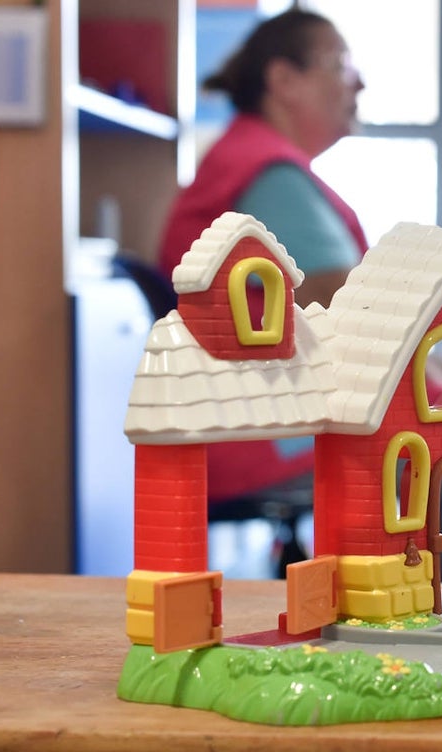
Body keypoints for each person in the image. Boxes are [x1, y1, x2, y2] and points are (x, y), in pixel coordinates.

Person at [155, 9, 367, 550]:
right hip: (269, 431)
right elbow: (355, 312)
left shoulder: (249, 161)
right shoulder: (269, 174)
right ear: (283, 80)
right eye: (341, 64)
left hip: (251, 419)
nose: (358, 81)